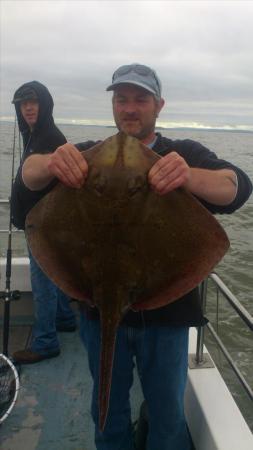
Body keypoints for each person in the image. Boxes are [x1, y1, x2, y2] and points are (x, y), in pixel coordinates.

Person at [18, 65, 252, 449]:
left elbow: (237, 186)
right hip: (96, 305)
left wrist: (188, 177)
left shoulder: (184, 153)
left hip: (167, 314)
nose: (130, 108)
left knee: (167, 414)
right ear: (112, 104)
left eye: (140, 99)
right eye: (121, 99)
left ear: (158, 105)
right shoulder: (85, 157)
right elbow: (27, 180)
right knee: (106, 409)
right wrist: (48, 163)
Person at [11, 81, 77, 364]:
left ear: (45, 104)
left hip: (44, 226)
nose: (27, 107)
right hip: (47, 224)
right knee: (56, 276)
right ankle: (64, 319)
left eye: (33, 101)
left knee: (44, 284)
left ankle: (46, 341)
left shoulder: (49, 137)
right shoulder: (36, 135)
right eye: (22, 103)